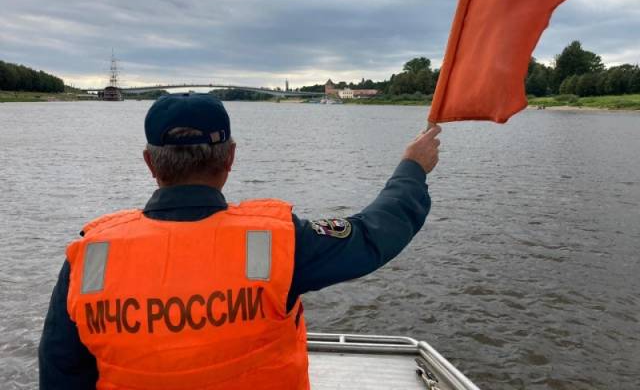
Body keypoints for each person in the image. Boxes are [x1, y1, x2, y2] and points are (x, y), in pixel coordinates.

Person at [39, 93, 441, 390]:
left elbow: (60, 372)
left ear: (150, 162)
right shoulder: (278, 241)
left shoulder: (90, 258)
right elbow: (373, 234)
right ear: (230, 157)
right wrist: (412, 168)